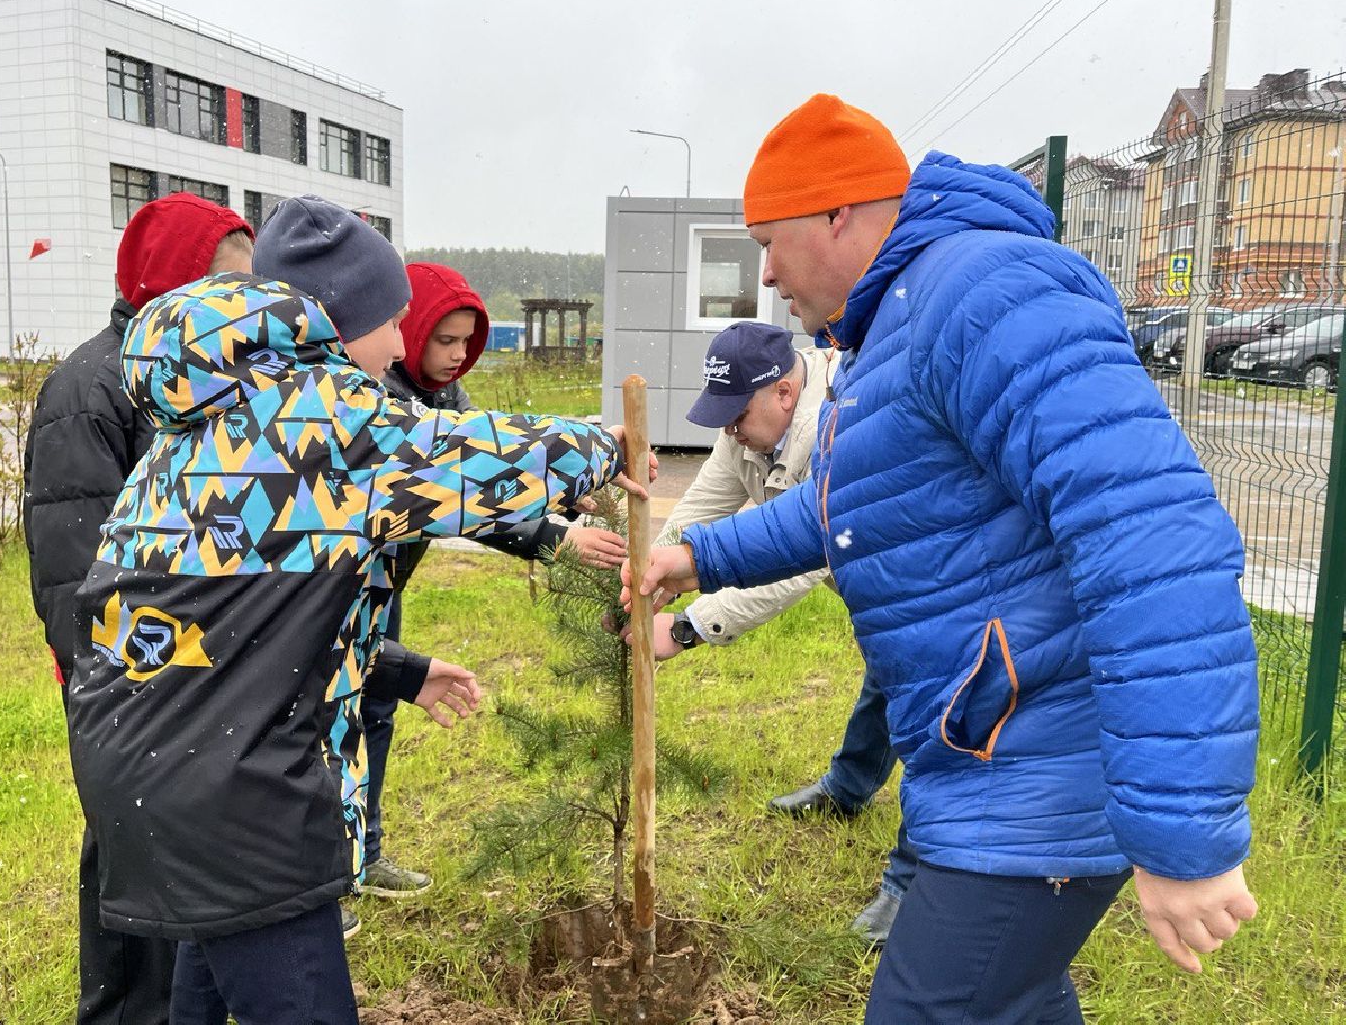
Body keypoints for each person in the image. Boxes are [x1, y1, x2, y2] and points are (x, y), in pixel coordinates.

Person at [626, 95, 1259, 1023]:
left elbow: (1150, 536)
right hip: (989, 756)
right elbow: (854, 509)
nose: (764, 274)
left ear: (839, 214)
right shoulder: (898, 325)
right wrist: (699, 556)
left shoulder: (985, 294)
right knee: (1016, 997)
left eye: (770, 239)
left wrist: (1183, 833)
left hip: (1036, 769)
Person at [66, 196, 651, 1024]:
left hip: (147, 764)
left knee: (205, 970)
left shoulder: (190, 431)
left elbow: (245, 627)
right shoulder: (330, 420)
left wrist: (398, 671)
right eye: (395, 320)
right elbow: (471, 456)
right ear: (340, 324)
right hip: (242, 796)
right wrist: (609, 447)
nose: (400, 341)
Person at [24, 193, 254, 1025]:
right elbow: (75, 580)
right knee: (133, 867)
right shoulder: (92, 389)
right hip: (130, 679)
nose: (240, 310)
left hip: (199, 672)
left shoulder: (202, 382)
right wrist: (157, 677)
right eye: (225, 288)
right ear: (168, 285)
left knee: (191, 867)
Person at [625, 319, 911, 941]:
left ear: (784, 392)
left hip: (925, 569)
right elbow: (704, 507)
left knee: (926, 694)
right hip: (873, 574)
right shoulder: (749, 428)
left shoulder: (837, 424)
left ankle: (911, 883)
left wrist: (688, 627)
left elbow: (803, 558)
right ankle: (849, 786)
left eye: (737, 414)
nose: (728, 430)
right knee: (888, 666)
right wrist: (649, 573)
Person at [358, 260, 627, 898]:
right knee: (336, 719)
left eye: (465, 343)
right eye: (442, 339)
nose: (456, 356)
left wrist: (563, 499)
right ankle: (330, 870)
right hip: (343, 586)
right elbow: (456, 495)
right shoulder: (379, 401)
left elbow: (496, 476)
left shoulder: (443, 398)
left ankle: (363, 855)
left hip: (383, 587)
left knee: (375, 710)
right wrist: (557, 537)